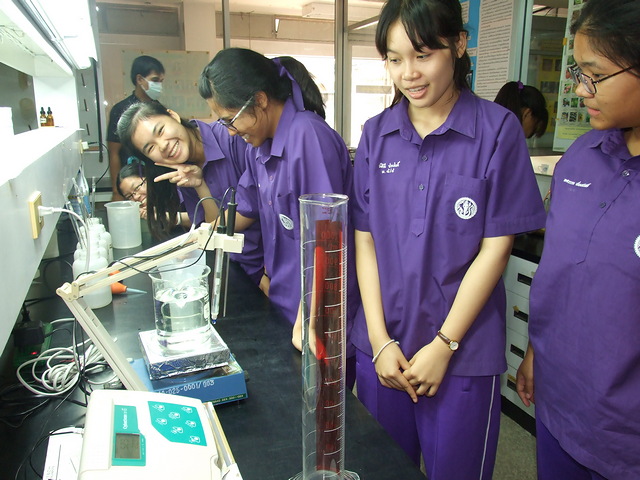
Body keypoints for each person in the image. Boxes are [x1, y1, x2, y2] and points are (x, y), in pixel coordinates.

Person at [350, 1, 546, 479]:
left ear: (459, 44)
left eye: (423, 55)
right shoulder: (376, 135)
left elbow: (495, 248)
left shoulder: (497, 131)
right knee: (381, 469)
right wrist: (378, 339)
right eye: (394, 59)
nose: (408, 74)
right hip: (384, 348)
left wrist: (444, 344)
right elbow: (365, 241)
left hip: (463, 355)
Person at [516, 1, 640, 478]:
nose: (578, 89)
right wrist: (534, 352)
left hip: (626, 432)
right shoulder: (582, 156)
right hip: (560, 403)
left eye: (596, 75)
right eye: (578, 72)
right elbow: (559, 273)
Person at [198, 48, 358, 357]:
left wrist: (308, 319)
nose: (230, 132)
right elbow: (243, 210)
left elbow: (327, 238)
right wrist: (199, 235)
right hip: (283, 304)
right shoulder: (258, 147)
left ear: (259, 99)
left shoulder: (308, 136)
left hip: (316, 314)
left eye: (231, 120)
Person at [116, 101, 265, 287]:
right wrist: (200, 185)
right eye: (150, 148)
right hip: (240, 268)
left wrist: (265, 273)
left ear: (173, 116)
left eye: (160, 131)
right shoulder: (182, 171)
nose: (162, 146)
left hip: (269, 267)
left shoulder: (233, 137)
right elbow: (216, 227)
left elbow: (257, 207)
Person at [107, 55, 165, 201]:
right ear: (139, 79)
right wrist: (116, 192)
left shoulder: (160, 110)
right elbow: (114, 153)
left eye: (161, 81)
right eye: (155, 80)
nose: (159, 85)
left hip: (157, 183)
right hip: (132, 185)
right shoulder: (120, 110)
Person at [116, 161, 191, 228]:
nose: (136, 197)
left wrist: (168, 217)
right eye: (129, 196)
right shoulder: (144, 211)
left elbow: (197, 218)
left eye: (137, 188)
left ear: (149, 178)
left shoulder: (175, 188)